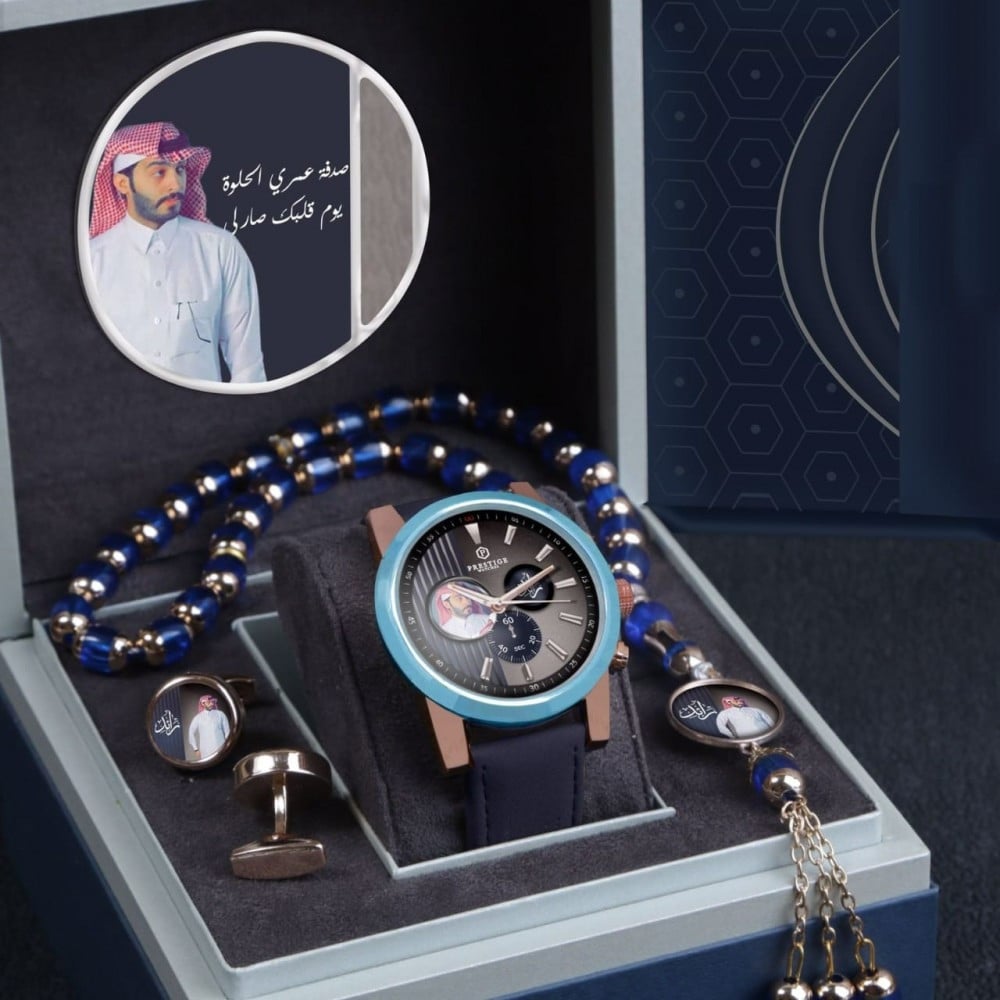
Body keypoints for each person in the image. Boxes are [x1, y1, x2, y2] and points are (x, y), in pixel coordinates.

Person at [88, 121, 266, 383]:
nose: (175, 183)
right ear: (122, 183)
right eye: (159, 172)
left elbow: (248, 369)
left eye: (179, 169)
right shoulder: (92, 261)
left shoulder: (220, 249)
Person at [188, 693, 231, 760]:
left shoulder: (220, 714)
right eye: (208, 702)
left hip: (221, 748)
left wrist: (227, 745)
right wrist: (195, 749)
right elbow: (191, 732)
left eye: (212, 702)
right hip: (206, 751)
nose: (211, 704)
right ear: (203, 704)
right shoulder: (198, 718)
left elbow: (227, 731)